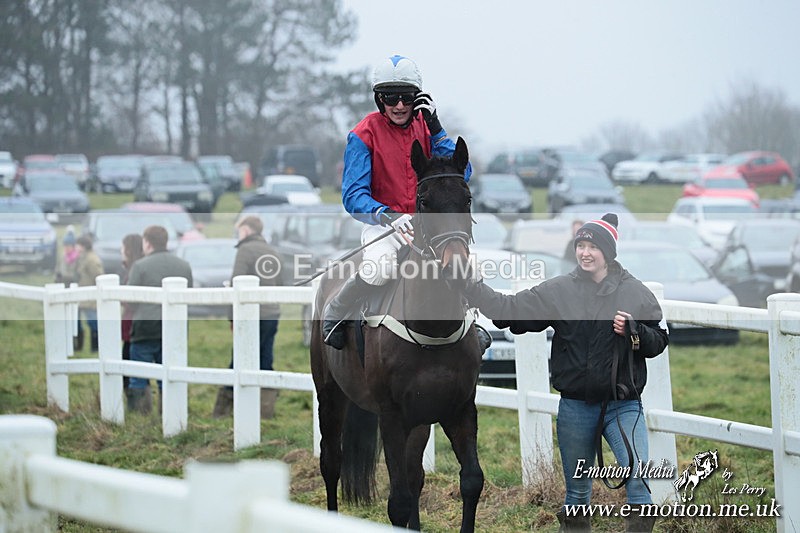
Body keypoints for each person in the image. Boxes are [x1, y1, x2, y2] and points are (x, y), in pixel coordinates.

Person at [462, 214, 668, 533]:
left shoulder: (635, 292)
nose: (585, 252)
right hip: (575, 407)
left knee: (638, 480)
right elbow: (508, 310)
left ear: (608, 252)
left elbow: (660, 340)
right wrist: (471, 287)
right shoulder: (559, 291)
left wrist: (635, 332)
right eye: (580, 246)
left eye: (593, 246)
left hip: (623, 405)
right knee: (577, 495)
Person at [322, 54, 472, 349]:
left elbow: (463, 171)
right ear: (380, 100)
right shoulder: (362, 135)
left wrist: (437, 129)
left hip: (427, 225)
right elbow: (352, 196)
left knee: (466, 267)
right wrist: (386, 214)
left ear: (417, 98)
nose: (400, 105)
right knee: (379, 268)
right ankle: (335, 313)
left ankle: (471, 324)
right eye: (391, 98)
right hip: (383, 225)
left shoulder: (427, 128)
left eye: (406, 97)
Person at [212, 215, 282, 419]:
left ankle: (223, 412)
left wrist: (231, 317)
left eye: (239, 229)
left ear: (247, 230)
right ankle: (265, 410)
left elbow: (237, 282)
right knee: (265, 358)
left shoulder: (245, 250)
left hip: (251, 313)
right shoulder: (272, 250)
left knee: (240, 359)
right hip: (272, 313)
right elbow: (279, 281)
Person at [125, 225, 193, 414]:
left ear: (147, 242)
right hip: (175, 331)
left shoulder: (140, 266)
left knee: (139, 376)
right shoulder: (183, 266)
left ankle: (140, 418)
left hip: (145, 329)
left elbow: (131, 301)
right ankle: (171, 414)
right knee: (170, 376)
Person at [120, 233, 144, 392]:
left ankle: (136, 404)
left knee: (129, 365)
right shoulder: (134, 267)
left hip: (133, 325)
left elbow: (132, 300)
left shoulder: (136, 269)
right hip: (133, 324)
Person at [75, 235, 104, 353]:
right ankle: (79, 346)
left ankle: (95, 347)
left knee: (93, 322)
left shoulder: (91, 259)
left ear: (83, 246)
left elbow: (98, 276)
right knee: (79, 322)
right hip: (82, 296)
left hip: (90, 298)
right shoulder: (83, 258)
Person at [55, 227, 82, 350]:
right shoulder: (62, 257)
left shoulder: (78, 258)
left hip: (74, 290)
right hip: (63, 289)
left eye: (69, 245)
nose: (66, 248)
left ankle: (78, 343)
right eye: (65, 245)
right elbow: (58, 270)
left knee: (76, 317)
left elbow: (77, 275)